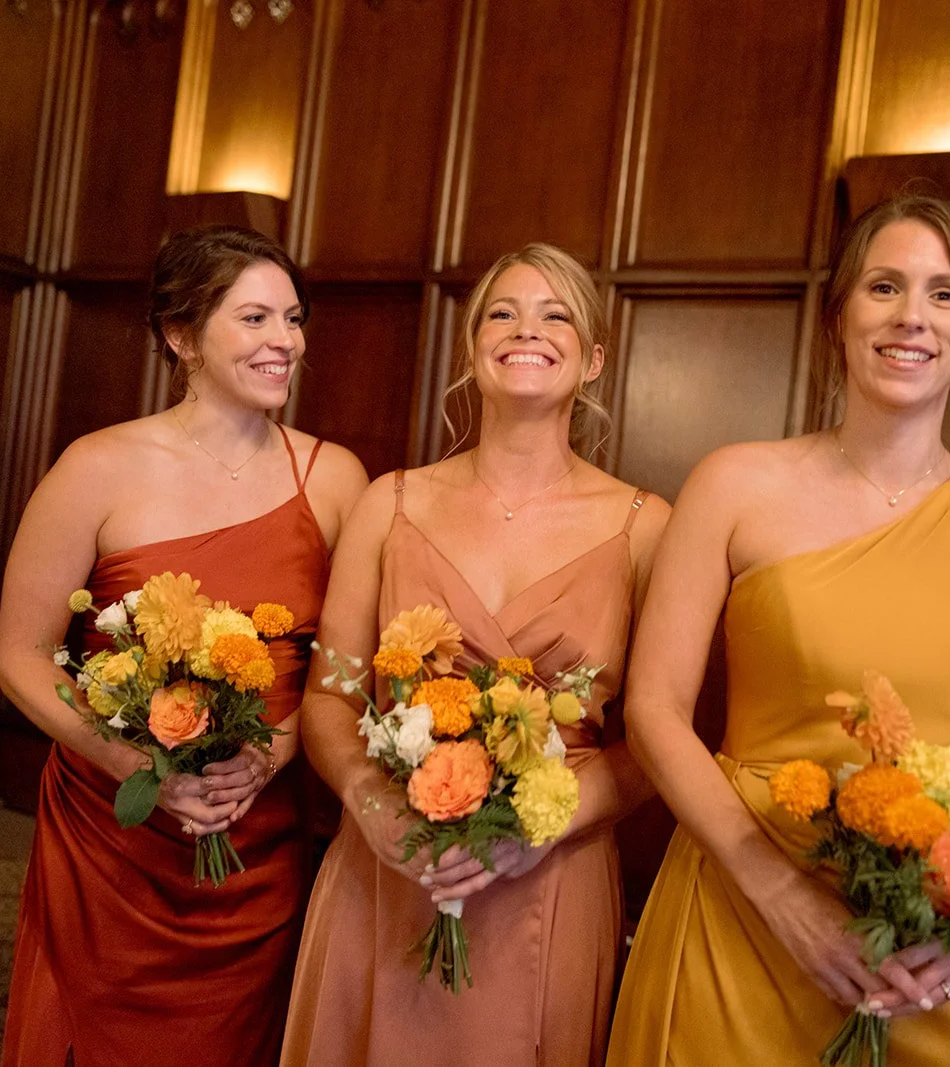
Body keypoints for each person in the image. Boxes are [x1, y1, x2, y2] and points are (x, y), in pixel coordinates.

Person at [608, 195, 950, 1065]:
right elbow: (654, 710)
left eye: (944, 294)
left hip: (927, 954)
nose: (911, 317)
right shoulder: (733, 484)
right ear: (838, 315)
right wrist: (783, 897)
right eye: (884, 286)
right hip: (739, 920)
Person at [281, 243, 670, 1066]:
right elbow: (327, 697)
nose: (526, 328)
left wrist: (544, 821)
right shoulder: (392, 501)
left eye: (555, 313)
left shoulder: (649, 526)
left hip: (551, 879)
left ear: (594, 358)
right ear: (472, 349)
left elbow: (656, 740)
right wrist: (367, 796)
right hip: (389, 866)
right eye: (503, 311)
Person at [0, 225, 368, 1067]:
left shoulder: (335, 479)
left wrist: (268, 755)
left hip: (259, 831)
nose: (286, 342)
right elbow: (18, 656)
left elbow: (348, 663)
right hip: (111, 839)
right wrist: (132, 764)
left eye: (294, 318)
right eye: (256, 318)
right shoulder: (95, 467)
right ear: (180, 335)